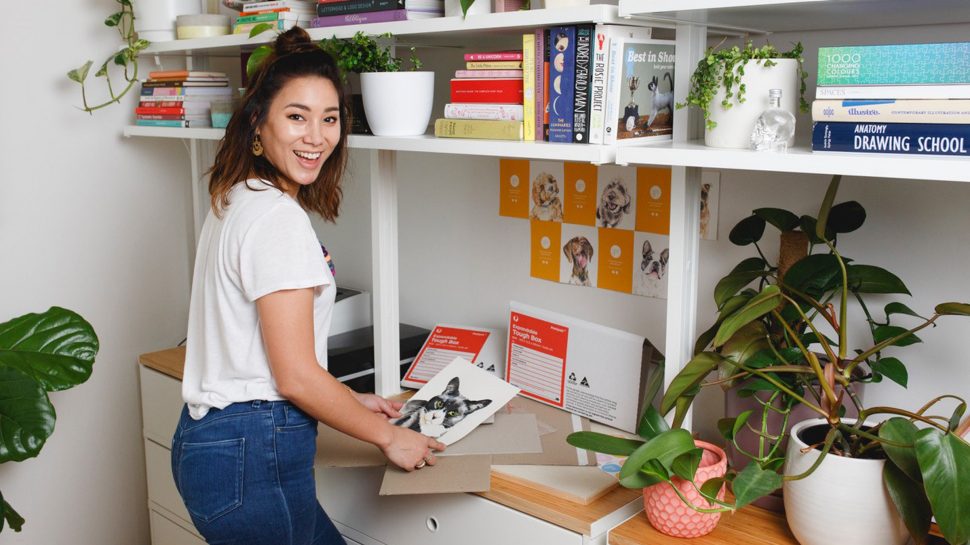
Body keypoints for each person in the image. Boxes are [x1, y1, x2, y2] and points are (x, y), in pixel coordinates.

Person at [171, 27, 445, 545]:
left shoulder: (235, 196)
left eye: (330, 119)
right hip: (251, 452)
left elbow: (262, 362)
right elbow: (294, 376)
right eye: (296, 116)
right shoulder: (276, 218)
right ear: (258, 124)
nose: (316, 136)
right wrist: (389, 437)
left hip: (216, 443)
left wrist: (343, 397)